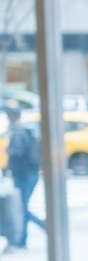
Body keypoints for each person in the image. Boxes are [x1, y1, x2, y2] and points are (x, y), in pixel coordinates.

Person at [5, 101, 43, 249]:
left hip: (24, 174)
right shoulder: (23, 129)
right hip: (28, 173)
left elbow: (18, 151)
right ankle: (22, 239)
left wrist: (9, 150)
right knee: (22, 207)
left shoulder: (18, 131)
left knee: (21, 208)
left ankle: (26, 236)